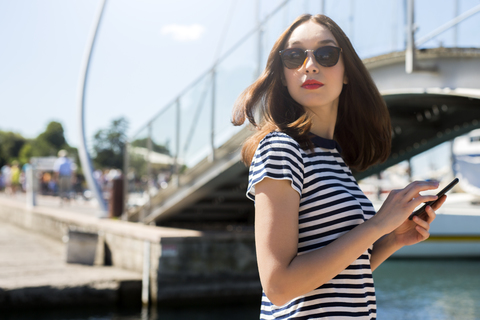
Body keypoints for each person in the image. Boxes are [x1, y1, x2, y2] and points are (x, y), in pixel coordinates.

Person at [232, 14, 446, 319]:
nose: (309, 65)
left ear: (347, 72)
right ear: (282, 75)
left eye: (326, 54)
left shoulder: (334, 159)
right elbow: (279, 287)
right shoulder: (282, 149)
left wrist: (391, 239)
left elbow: (337, 278)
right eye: (294, 56)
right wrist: (377, 224)